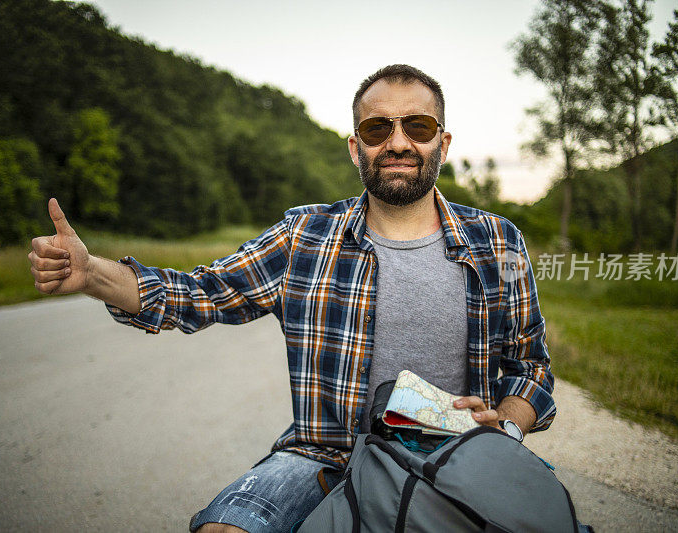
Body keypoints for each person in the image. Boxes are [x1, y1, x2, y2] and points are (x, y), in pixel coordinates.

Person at [28, 64, 555, 533]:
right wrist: (92, 274)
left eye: (417, 126)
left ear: (442, 141)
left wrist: (504, 426)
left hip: (457, 455)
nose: (398, 142)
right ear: (356, 147)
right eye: (378, 128)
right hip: (323, 456)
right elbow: (199, 292)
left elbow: (531, 367)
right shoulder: (304, 234)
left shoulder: (498, 240)